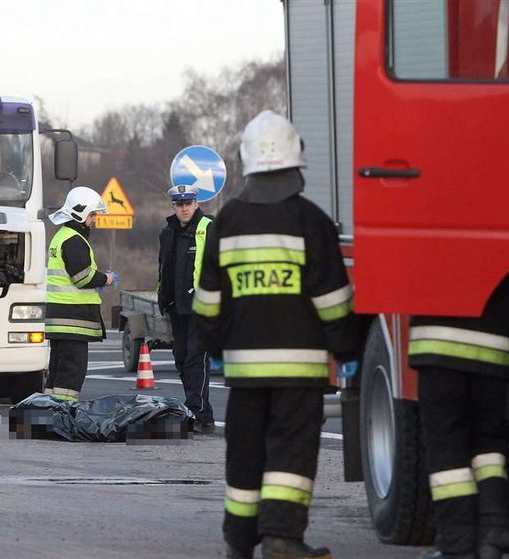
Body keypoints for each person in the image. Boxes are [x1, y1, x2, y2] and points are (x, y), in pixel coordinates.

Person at [192, 110, 359, 559]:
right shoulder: (312, 222)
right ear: (295, 162)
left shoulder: (226, 222)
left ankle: (239, 544)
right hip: (300, 372)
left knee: (244, 453)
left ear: (246, 162)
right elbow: (334, 300)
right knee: (290, 453)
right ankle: (283, 539)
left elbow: (207, 301)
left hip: (244, 372)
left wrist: (215, 348)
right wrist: (347, 349)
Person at [409, 274, 509, 559]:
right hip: (493, 345)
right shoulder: (506, 228)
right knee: (489, 443)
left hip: (437, 345)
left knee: (447, 448)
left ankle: (457, 543)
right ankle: (494, 529)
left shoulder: (426, 228)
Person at [44, 186, 115, 402]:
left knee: (57, 370)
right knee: (71, 373)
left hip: (60, 318)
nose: (94, 220)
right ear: (80, 212)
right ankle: (63, 413)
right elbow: (82, 278)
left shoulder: (61, 236)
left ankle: (49, 411)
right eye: (92, 214)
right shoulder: (74, 240)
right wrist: (106, 279)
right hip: (72, 319)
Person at [157, 183, 215, 432]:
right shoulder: (167, 232)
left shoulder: (209, 228)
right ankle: (195, 409)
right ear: (174, 206)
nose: (184, 209)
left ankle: (201, 415)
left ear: (197, 203)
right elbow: (163, 268)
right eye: (179, 205)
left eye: (188, 204)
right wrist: (163, 298)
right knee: (181, 358)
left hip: (202, 307)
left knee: (196, 358)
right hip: (176, 306)